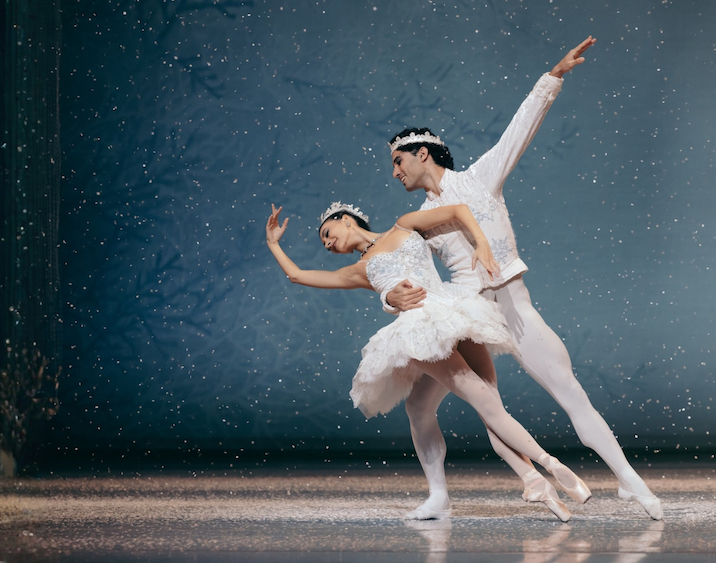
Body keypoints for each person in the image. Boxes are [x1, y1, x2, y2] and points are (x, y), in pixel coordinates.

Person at [382, 36, 664, 520]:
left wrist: (552, 77)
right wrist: (393, 298)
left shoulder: (478, 179)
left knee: (570, 391)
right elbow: (390, 266)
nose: (395, 172)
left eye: (398, 161)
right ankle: (439, 496)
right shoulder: (418, 221)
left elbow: (520, 128)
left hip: (512, 309)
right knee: (418, 407)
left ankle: (628, 480)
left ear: (423, 153)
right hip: (466, 320)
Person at [265, 201, 591, 521]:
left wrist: (481, 244)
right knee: (421, 408)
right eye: (324, 243)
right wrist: (273, 244)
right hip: (443, 319)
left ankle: (550, 466)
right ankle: (508, 483)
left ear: (346, 219)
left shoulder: (404, 224)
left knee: (487, 403)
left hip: (443, 317)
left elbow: (458, 210)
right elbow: (297, 275)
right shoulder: (357, 270)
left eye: (327, 232)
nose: (327, 243)